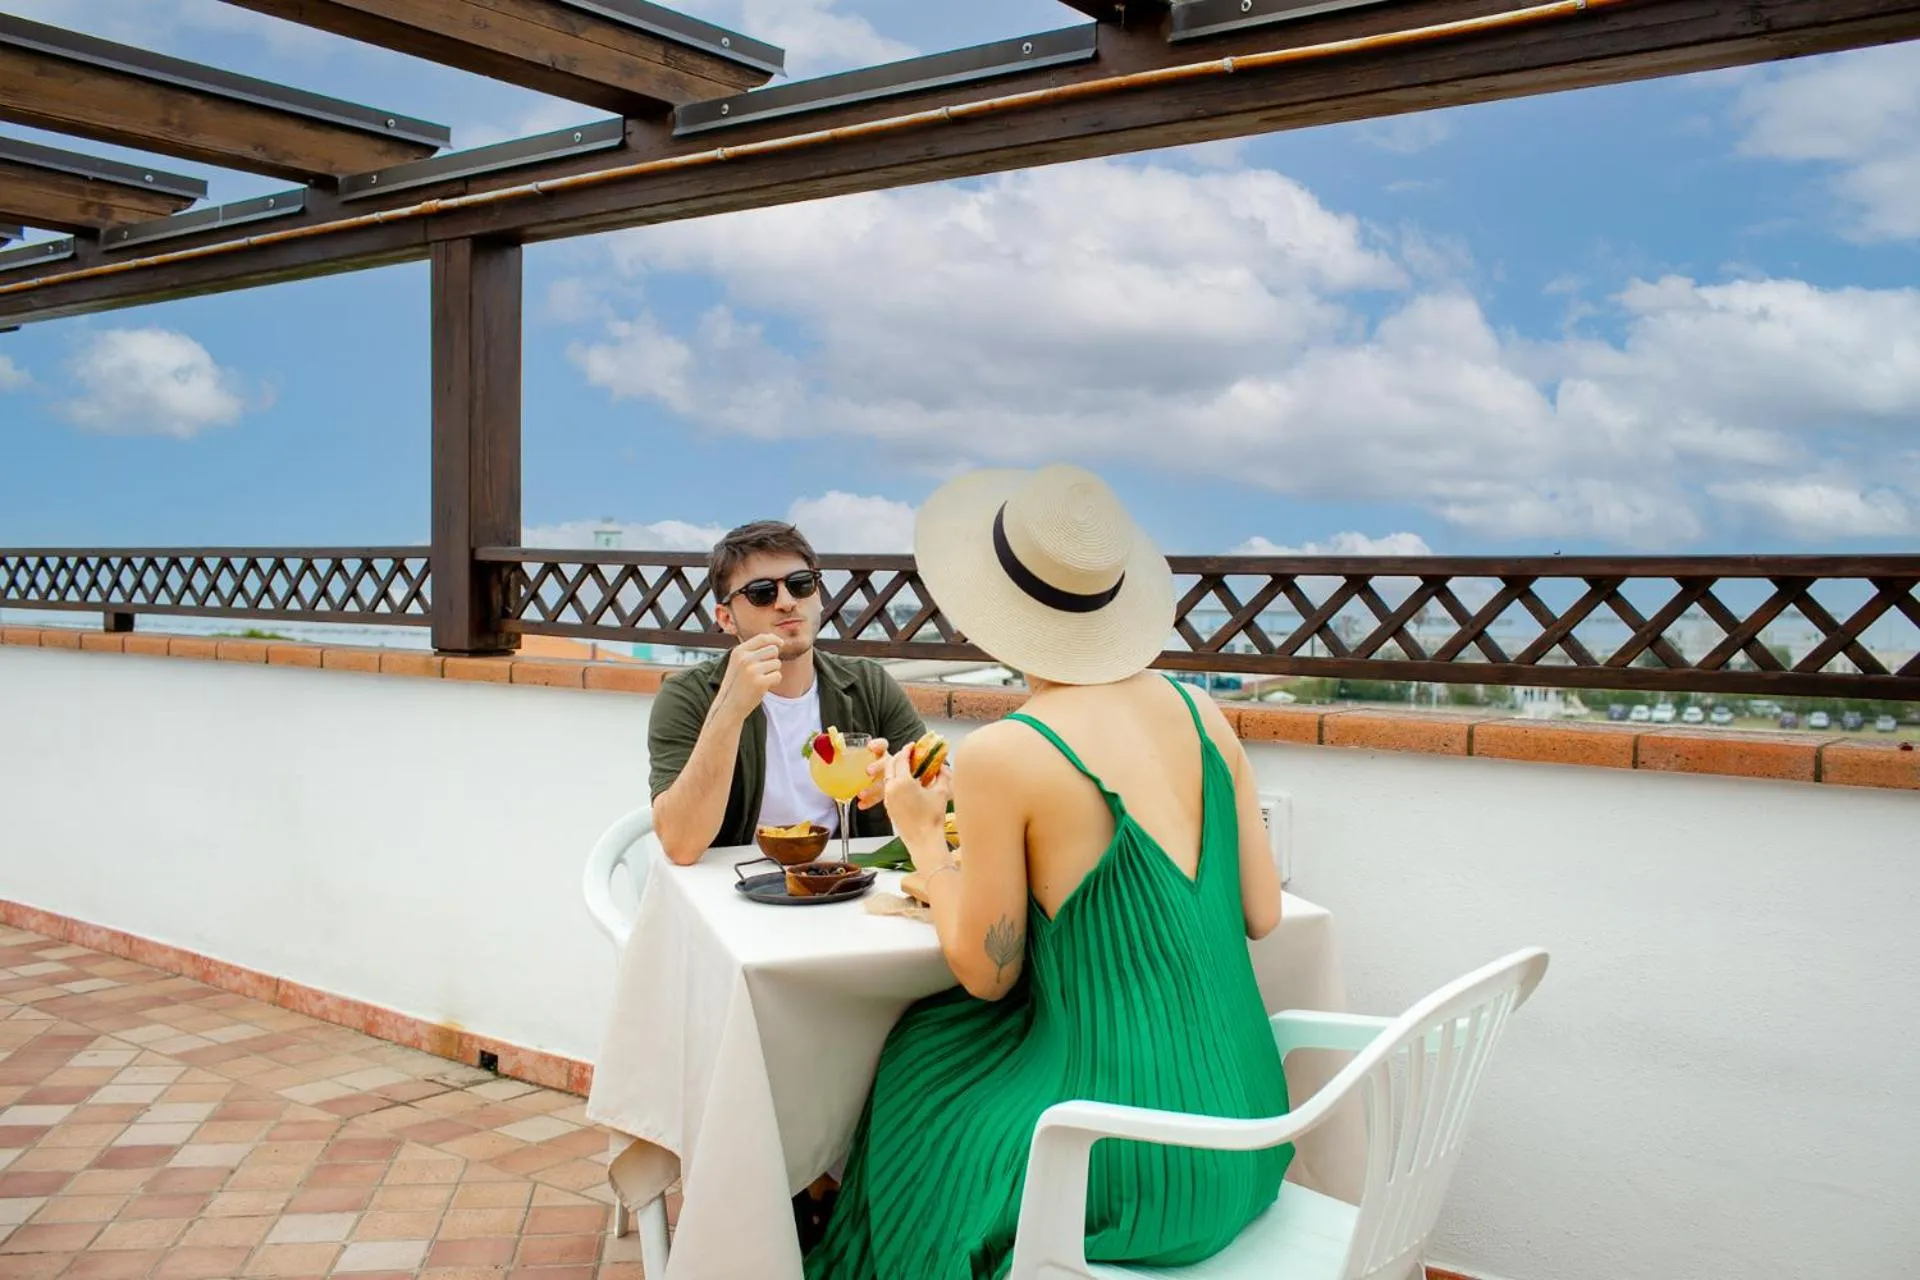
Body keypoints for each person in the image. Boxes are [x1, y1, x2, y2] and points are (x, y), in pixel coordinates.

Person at [804, 465, 1290, 1280]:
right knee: (943, 1049)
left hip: (1126, 1165)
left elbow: (990, 974)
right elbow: (1264, 914)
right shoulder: (1203, 713)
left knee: (921, 1075)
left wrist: (923, 835)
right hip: (1253, 1130)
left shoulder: (1009, 751)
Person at [647, 519, 927, 865]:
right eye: (761, 592)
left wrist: (901, 785)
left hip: (846, 886)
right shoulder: (689, 695)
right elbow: (681, 843)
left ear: (818, 594)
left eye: (800, 584)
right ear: (726, 618)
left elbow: (947, 795)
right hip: (736, 892)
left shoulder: (867, 685)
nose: (786, 601)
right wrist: (729, 710)